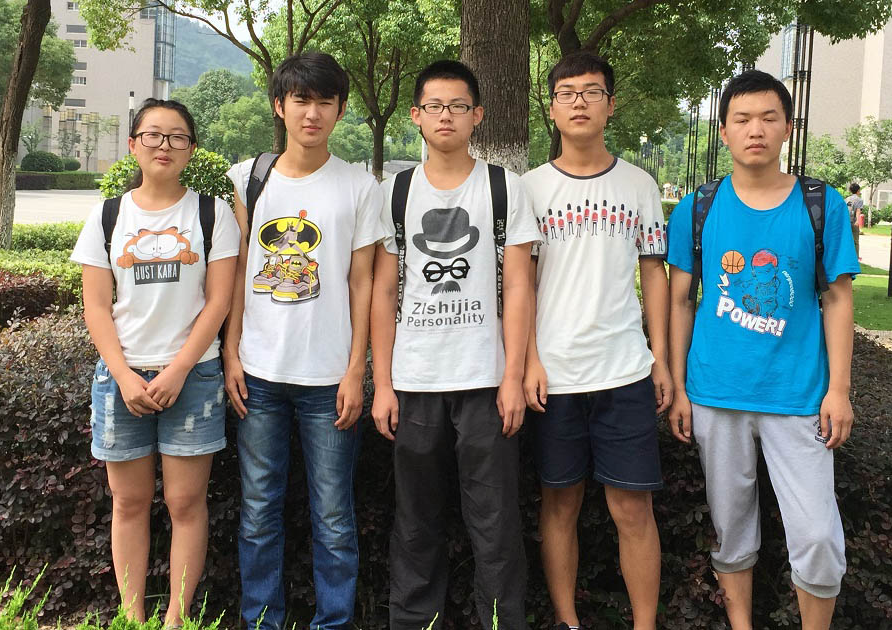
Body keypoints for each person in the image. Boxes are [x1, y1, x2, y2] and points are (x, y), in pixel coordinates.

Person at [666, 69, 860, 630]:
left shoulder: (821, 204)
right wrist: (677, 387)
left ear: (788, 128)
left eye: (769, 118)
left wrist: (840, 390)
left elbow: (837, 299)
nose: (756, 130)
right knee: (730, 530)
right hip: (715, 393)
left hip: (798, 397)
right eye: (743, 119)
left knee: (818, 537)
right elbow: (680, 302)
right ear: (723, 131)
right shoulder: (697, 209)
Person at [370, 60, 538, 630]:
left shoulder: (503, 187)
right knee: (415, 522)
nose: (446, 116)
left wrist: (513, 375)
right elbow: (383, 291)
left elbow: (519, 286)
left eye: (458, 106)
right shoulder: (395, 192)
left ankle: (500, 622)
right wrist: (382, 383)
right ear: (415, 115)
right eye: (435, 106)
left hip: (486, 382)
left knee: (495, 523)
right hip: (414, 381)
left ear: (477, 115)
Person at [222, 52, 383, 630]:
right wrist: (230, 351)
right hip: (258, 374)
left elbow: (363, 282)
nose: (312, 113)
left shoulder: (361, 186)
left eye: (324, 102)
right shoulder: (246, 179)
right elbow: (234, 273)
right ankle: (261, 621)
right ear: (279, 106)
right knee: (258, 513)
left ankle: (333, 622)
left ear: (340, 109)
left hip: (328, 380)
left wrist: (356, 369)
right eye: (300, 100)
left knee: (334, 517)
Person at [71, 98, 239, 625]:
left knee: (186, 503)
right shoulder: (108, 215)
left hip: (193, 375)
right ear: (133, 145)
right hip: (121, 378)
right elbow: (96, 306)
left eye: (177, 137)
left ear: (191, 148)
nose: (164, 145)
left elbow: (219, 302)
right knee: (128, 503)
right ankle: (133, 615)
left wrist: (180, 368)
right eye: (153, 135)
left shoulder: (212, 213)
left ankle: (176, 617)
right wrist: (123, 375)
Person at [521, 51, 671, 630]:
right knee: (559, 503)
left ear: (611, 105)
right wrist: (529, 360)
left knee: (633, 508)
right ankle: (568, 621)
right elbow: (522, 286)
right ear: (552, 108)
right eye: (567, 93)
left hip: (625, 370)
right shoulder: (529, 189)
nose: (578, 102)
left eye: (591, 92)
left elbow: (653, 272)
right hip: (554, 375)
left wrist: (659, 359)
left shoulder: (639, 185)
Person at [844, 182, 863, 259]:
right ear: (858, 190)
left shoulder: (846, 199)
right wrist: (858, 221)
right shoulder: (859, 200)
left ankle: (846, 256)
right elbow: (858, 210)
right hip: (854, 222)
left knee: (846, 240)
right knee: (855, 241)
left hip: (846, 222)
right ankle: (855, 257)